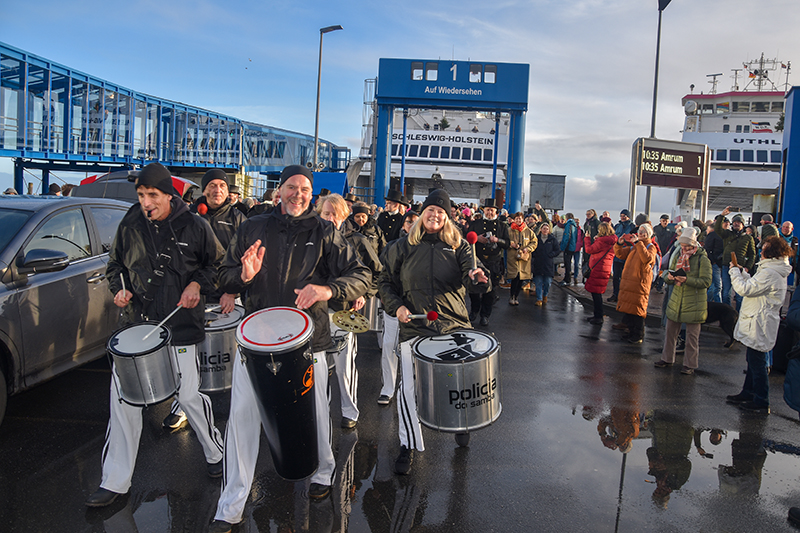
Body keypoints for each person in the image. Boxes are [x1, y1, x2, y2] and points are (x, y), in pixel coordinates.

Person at [208, 166, 370, 533]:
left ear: (312, 194)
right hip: (255, 340)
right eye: (292, 187)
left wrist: (329, 291)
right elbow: (224, 275)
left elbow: (360, 274)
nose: (299, 194)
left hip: (307, 340)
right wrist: (243, 277)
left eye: (306, 189)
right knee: (242, 419)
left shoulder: (325, 231)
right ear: (279, 191)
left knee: (315, 413)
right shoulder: (253, 226)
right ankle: (230, 505)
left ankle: (324, 472)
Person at [85, 162, 225, 507]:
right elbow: (114, 265)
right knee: (123, 403)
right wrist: (119, 289)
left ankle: (215, 451)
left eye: (152, 195)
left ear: (169, 195)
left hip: (179, 326)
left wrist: (197, 283)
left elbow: (217, 267)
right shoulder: (131, 222)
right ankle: (115, 481)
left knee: (189, 395)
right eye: (141, 195)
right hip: (138, 326)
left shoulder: (196, 225)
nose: (146, 202)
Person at [378, 188, 489, 475]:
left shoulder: (460, 246)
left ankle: (461, 424)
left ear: (448, 217)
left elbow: (471, 276)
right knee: (408, 389)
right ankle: (408, 444)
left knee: (456, 383)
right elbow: (385, 282)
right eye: (431, 209)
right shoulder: (401, 246)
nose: (435, 215)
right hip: (414, 325)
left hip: (452, 325)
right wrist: (396, 307)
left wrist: (478, 279)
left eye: (441, 211)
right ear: (422, 213)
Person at [162, 168, 247, 431]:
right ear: (204, 189)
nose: (217, 190)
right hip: (195, 292)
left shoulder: (239, 219)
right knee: (188, 351)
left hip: (228, 294)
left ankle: (242, 403)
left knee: (235, 352)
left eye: (222, 185)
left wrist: (232, 291)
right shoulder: (188, 217)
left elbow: (246, 260)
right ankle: (183, 404)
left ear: (227, 190)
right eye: (212, 186)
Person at [316, 194, 382, 429]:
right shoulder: (310, 240)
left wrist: (364, 292)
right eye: (326, 213)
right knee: (317, 369)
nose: (330, 218)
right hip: (316, 314)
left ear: (344, 216)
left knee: (345, 368)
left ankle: (349, 411)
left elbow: (375, 271)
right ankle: (320, 414)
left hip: (344, 314)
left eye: (335, 214)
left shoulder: (358, 241)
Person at [725, 235, 793, 414]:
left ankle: (762, 400)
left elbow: (745, 289)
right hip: (758, 319)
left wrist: (734, 272)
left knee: (757, 361)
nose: (760, 251)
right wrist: (743, 272)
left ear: (770, 253)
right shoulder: (771, 270)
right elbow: (754, 284)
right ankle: (749, 392)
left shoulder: (770, 272)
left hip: (759, 321)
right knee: (753, 359)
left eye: (764, 249)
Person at [654, 227, 712, 375]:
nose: (683, 248)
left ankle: (689, 364)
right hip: (677, 298)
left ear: (693, 245)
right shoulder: (678, 254)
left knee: (692, 336)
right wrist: (669, 277)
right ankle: (667, 359)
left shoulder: (702, 259)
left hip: (694, 301)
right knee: (670, 332)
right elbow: (668, 271)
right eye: (682, 245)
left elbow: (706, 281)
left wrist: (687, 280)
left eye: (686, 246)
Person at [377, 209, 419, 406]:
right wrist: (388, 299)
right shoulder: (391, 247)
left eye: (415, 222)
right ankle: (388, 388)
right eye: (408, 221)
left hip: (418, 310)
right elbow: (383, 277)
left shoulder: (428, 249)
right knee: (388, 347)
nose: (412, 225)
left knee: (413, 352)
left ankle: (413, 389)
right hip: (394, 307)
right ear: (403, 225)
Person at [613, 223, 658, 344]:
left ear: (648, 234)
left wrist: (638, 243)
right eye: (640, 231)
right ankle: (631, 331)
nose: (641, 233)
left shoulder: (650, 246)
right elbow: (620, 254)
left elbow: (647, 258)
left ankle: (638, 334)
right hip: (631, 281)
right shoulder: (635, 247)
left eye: (644, 232)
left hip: (640, 282)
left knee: (638, 309)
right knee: (631, 308)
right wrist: (620, 243)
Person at [467, 198, 510, 325]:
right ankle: (474, 310)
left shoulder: (502, 226)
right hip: (478, 260)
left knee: (490, 290)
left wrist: (498, 240)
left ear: (496, 212)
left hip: (493, 262)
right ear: (483, 210)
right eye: (487, 210)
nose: (489, 212)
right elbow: (467, 238)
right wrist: (477, 238)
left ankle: (485, 315)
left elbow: (507, 244)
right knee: (473, 287)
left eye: (492, 210)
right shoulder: (476, 223)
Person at [715, 207, 757, 310]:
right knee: (726, 293)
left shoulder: (748, 238)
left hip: (740, 267)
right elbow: (717, 229)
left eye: (738, 222)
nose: (736, 224)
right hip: (727, 266)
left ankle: (739, 315)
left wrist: (747, 267)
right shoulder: (727, 234)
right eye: (734, 222)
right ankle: (726, 314)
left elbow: (752, 254)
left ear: (743, 225)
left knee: (739, 295)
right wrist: (722, 215)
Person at [583, 222, 617, 324]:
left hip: (598, 268)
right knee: (597, 292)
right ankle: (597, 314)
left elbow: (589, 249)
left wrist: (587, 239)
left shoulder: (601, 241)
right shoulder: (612, 240)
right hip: (605, 268)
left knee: (596, 293)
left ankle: (598, 316)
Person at [507, 211, 537, 305]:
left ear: (523, 219)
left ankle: (516, 297)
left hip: (524, 258)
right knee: (514, 277)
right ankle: (512, 296)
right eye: (516, 219)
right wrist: (511, 244)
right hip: (513, 257)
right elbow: (505, 241)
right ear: (514, 220)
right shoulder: (509, 230)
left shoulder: (528, 231)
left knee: (521, 278)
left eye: (520, 218)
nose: (518, 220)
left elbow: (534, 242)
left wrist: (528, 249)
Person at [609, 209, 636, 303]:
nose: (623, 217)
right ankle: (615, 294)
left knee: (625, 277)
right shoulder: (618, 226)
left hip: (626, 256)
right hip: (617, 255)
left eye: (625, 215)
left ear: (628, 216)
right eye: (621, 216)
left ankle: (623, 295)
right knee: (616, 277)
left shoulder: (632, 227)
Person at [531, 222, 560, 306]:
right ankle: (539, 298)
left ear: (549, 230)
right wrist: (534, 256)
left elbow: (557, 250)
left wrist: (551, 255)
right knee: (538, 282)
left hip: (548, 264)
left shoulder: (552, 239)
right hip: (538, 263)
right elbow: (533, 248)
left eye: (547, 229)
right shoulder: (536, 239)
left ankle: (545, 295)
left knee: (547, 282)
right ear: (541, 229)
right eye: (543, 228)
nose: (545, 230)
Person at [704, 219, 726, 302]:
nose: (706, 231)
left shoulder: (712, 235)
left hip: (715, 262)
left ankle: (710, 303)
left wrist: (713, 261)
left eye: (707, 229)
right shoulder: (721, 235)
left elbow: (707, 249)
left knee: (715, 285)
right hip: (717, 263)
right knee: (717, 285)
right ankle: (717, 303)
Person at [559, 213, 580, 286]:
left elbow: (567, 237)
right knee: (568, 263)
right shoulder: (574, 225)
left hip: (568, 247)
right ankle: (567, 278)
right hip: (572, 246)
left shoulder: (569, 225)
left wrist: (563, 247)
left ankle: (567, 279)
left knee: (567, 263)